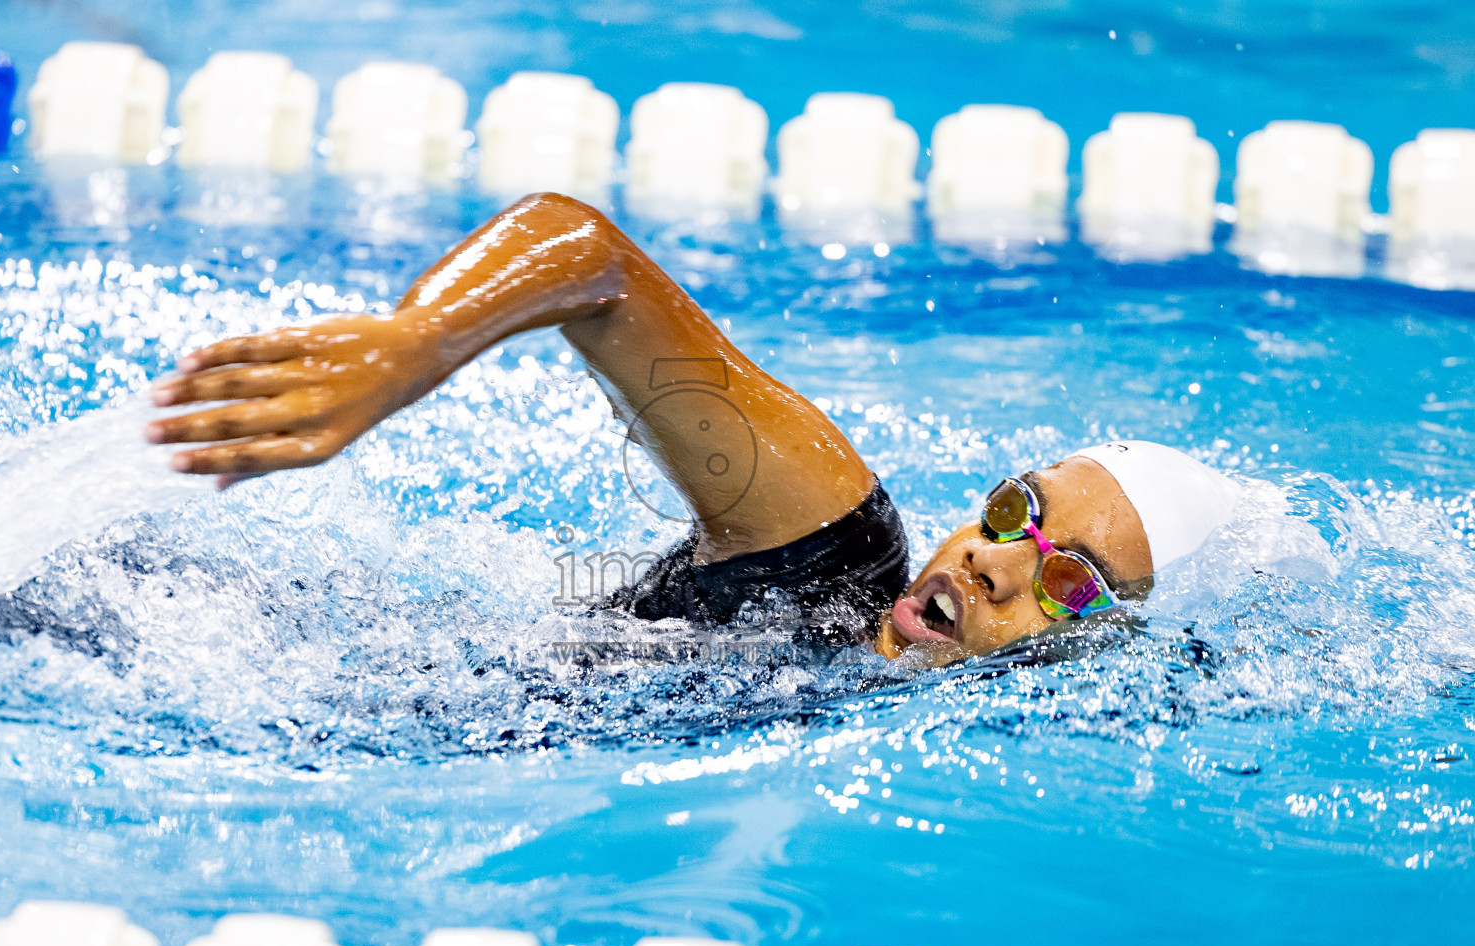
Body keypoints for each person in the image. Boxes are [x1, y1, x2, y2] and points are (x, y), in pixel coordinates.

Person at [146, 192, 1240, 666]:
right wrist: (415, 342)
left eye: (1073, 584)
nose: (993, 561)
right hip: (211, 645)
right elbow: (591, 258)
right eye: (1016, 511)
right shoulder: (832, 550)